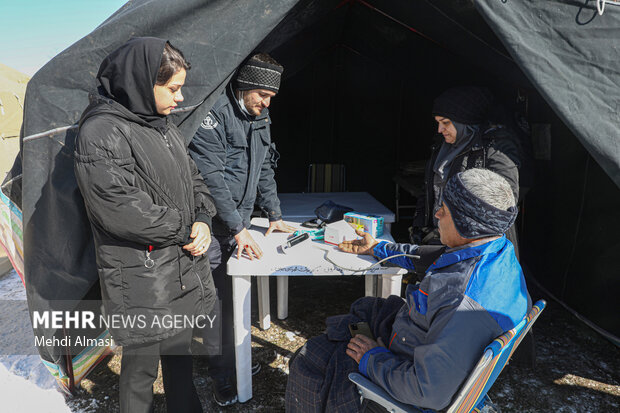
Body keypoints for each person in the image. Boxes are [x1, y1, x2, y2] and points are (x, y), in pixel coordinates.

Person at [285, 168, 531, 412]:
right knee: (364, 310)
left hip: (408, 376)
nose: (436, 214)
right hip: (422, 344)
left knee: (311, 359)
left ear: (467, 225)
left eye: (443, 210)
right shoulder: (496, 250)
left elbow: (428, 392)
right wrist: (378, 248)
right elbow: (428, 256)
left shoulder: (462, 304)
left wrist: (373, 358)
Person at [74, 37, 216, 413]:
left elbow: (195, 181)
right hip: (141, 277)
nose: (180, 98)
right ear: (140, 81)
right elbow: (120, 207)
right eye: (173, 88)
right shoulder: (102, 131)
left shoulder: (162, 126)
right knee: (140, 374)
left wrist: (203, 219)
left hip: (180, 268)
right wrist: (185, 228)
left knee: (180, 361)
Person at [188, 52, 296, 406]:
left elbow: (265, 168)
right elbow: (211, 178)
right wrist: (236, 228)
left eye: (271, 99)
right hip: (216, 225)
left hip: (242, 222)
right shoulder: (215, 115)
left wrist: (275, 213)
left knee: (237, 298)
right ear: (245, 86)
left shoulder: (259, 116)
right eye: (262, 96)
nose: (266, 104)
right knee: (218, 302)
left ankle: (236, 360)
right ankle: (222, 375)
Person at [411, 86, 523, 260]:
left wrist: (460, 232)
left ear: (464, 121)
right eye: (438, 122)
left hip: (476, 252)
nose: (440, 129)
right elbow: (427, 190)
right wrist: (419, 227)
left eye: (446, 122)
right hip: (441, 239)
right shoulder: (442, 147)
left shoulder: (495, 149)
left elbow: (504, 204)